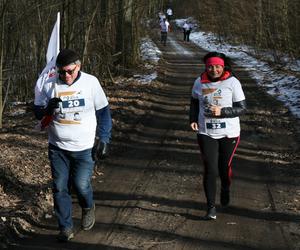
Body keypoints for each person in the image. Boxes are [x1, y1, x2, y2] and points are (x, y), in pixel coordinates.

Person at [34, 49, 112, 241]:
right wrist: (47, 109)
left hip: (84, 147)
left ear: (79, 66)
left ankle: (88, 206)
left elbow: (104, 113)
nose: (66, 76)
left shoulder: (91, 82)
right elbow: (37, 112)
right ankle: (65, 227)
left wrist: (104, 139)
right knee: (60, 187)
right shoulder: (49, 84)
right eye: (62, 72)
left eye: (70, 71)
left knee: (81, 184)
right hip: (57, 146)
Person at [189, 52, 246, 220]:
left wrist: (222, 111)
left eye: (217, 66)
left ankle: (226, 187)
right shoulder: (199, 82)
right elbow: (193, 101)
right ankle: (211, 207)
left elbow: (242, 108)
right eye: (210, 66)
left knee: (223, 168)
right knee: (210, 169)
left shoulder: (233, 82)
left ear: (223, 66)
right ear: (206, 67)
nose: (214, 70)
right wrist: (192, 118)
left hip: (229, 132)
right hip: (206, 132)